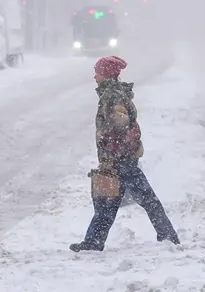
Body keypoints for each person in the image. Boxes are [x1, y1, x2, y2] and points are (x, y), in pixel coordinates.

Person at [69, 56, 180, 252]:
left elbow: (119, 126)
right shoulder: (112, 94)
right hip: (120, 159)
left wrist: (111, 158)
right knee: (108, 204)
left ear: (107, 74)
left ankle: (168, 236)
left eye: (98, 72)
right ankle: (94, 242)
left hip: (121, 160)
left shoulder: (113, 97)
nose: (95, 76)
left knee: (144, 200)